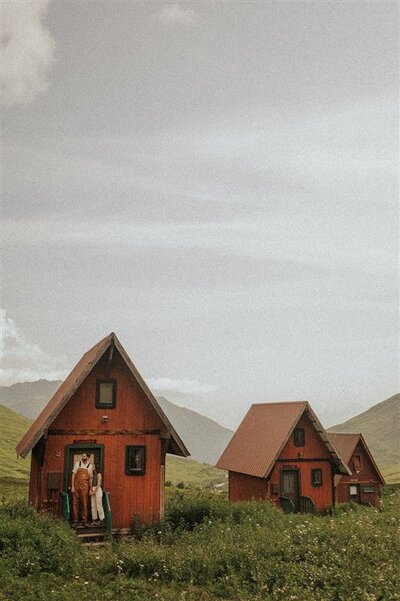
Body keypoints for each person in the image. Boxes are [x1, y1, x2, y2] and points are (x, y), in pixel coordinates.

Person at [71, 452, 93, 527]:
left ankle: (84, 521)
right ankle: (75, 521)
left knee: (84, 503)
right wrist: (73, 486)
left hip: (85, 486)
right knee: (75, 503)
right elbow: (73, 475)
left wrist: (90, 489)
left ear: (88, 457)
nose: (83, 457)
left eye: (84, 456)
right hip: (76, 485)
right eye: (82, 456)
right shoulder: (77, 464)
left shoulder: (90, 466)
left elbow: (90, 479)